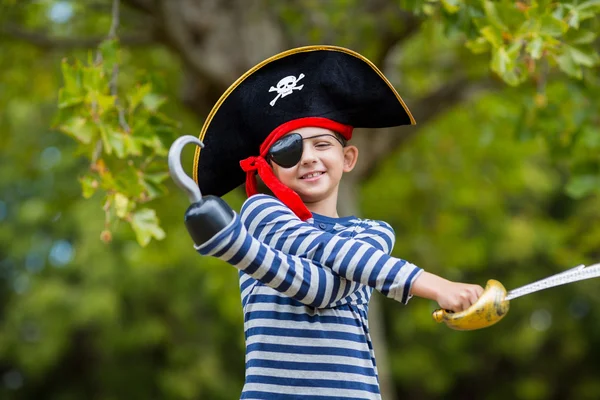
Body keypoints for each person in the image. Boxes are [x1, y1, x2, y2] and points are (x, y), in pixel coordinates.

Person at [187, 45, 484, 399]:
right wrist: (434, 286)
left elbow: (332, 281)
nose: (308, 158)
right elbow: (318, 283)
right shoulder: (260, 215)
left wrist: (236, 248)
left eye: (322, 144)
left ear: (348, 158)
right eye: (289, 149)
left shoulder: (372, 233)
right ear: (270, 169)